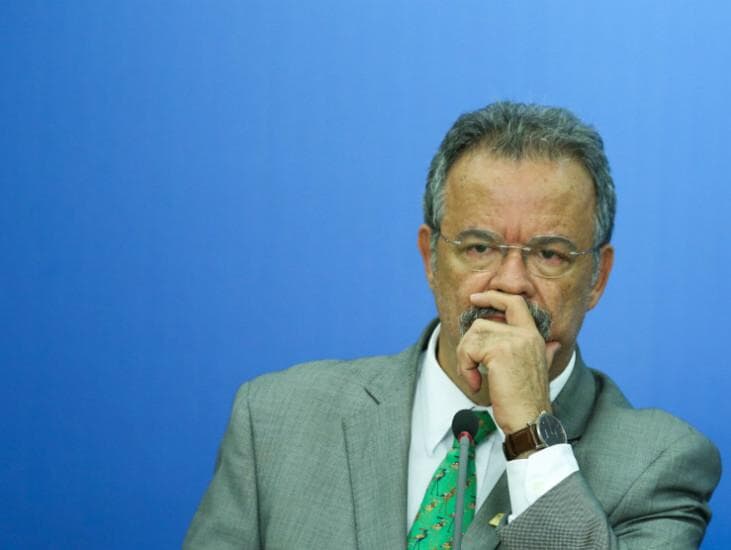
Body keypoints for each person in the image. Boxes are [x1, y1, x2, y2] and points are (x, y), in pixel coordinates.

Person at [184, 102, 720, 549]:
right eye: (479, 247)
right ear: (431, 258)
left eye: (550, 254)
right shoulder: (275, 420)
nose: (510, 283)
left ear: (597, 278)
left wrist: (532, 432)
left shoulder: (661, 463)